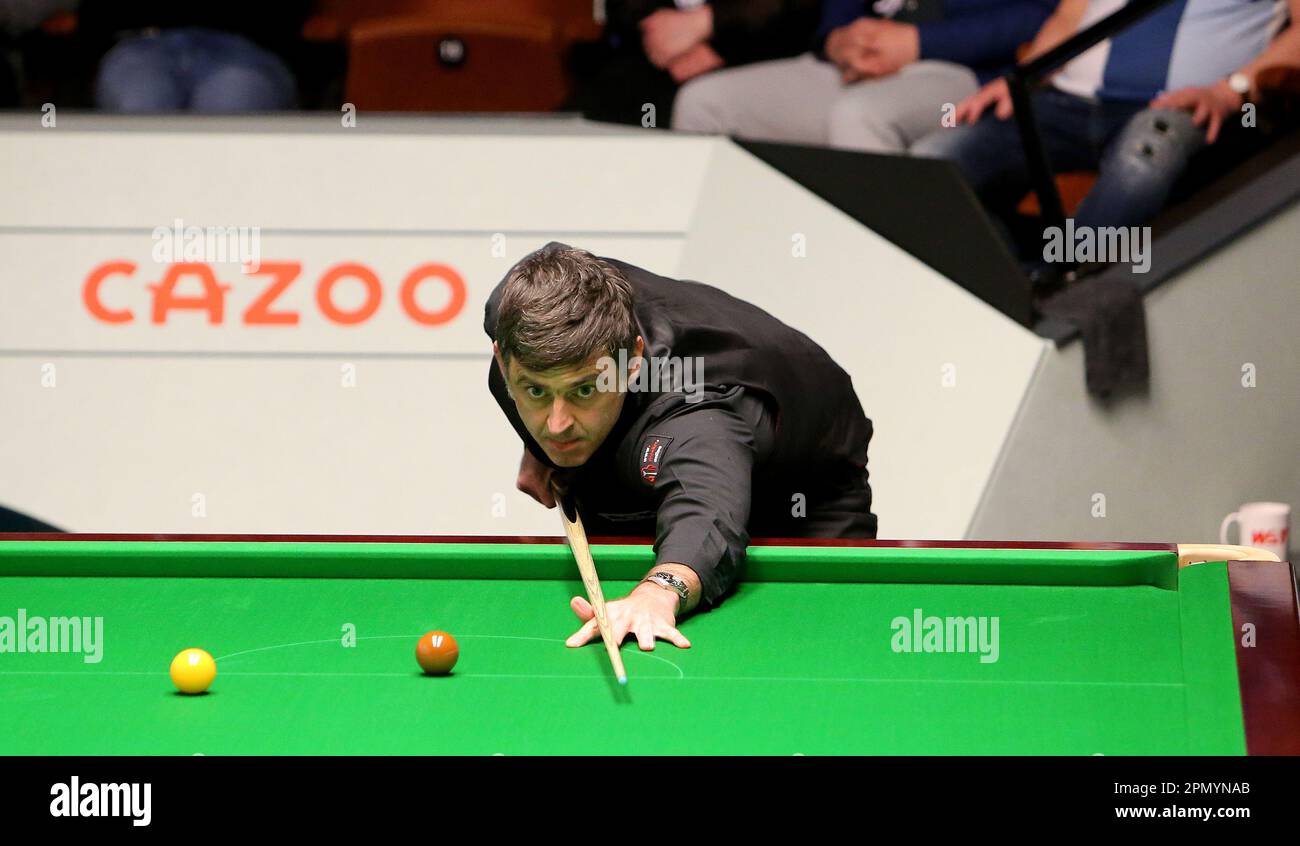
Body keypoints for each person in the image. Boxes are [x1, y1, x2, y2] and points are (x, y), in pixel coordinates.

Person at [484, 243, 877, 650]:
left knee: (810, 644)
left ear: (633, 362)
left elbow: (705, 508)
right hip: (653, 430)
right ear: (502, 358)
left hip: (804, 493)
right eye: (535, 390)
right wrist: (543, 446)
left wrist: (659, 592)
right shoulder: (515, 318)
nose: (557, 422)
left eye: (584, 389)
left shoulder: (694, 409)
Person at [910, 0, 1299, 256]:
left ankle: (1065, 296)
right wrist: (1023, 79)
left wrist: (1232, 90)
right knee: (934, 161)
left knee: (1143, 161)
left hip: (1177, 106)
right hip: (1064, 99)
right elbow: (1069, 17)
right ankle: (1005, 288)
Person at [672, 0, 1055, 152]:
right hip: (853, 60)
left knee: (858, 116)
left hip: (962, 70)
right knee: (703, 103)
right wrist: (838, 38)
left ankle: (879, 285)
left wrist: (920, 42)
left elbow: (1042, 14)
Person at [567, 0, 821, 127]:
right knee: (580, 127)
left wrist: (715, 34)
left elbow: (797, 9)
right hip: (654, 55)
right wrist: (659, 29)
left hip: (764, 52)